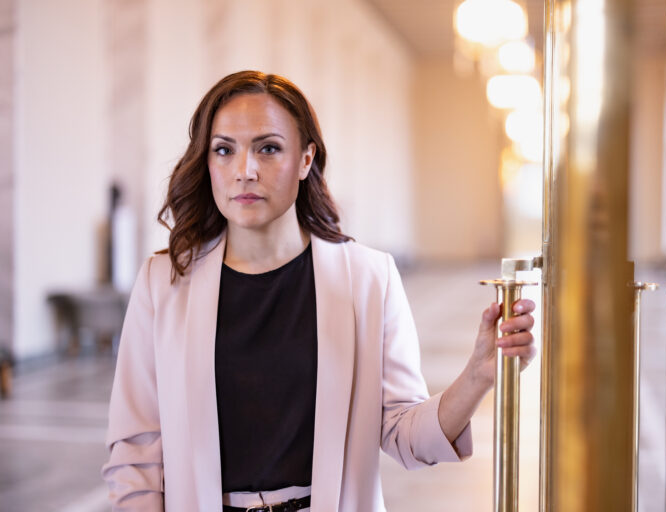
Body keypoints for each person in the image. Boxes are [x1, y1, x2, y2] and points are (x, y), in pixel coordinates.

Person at [101, 70, 536, 512]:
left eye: (268, 148)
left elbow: (405, 436)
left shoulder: (368, 279)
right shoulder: (164, 282)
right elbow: (136, 457)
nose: (245, 171)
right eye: (224, 150)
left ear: (306, 159)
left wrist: (477, 376)